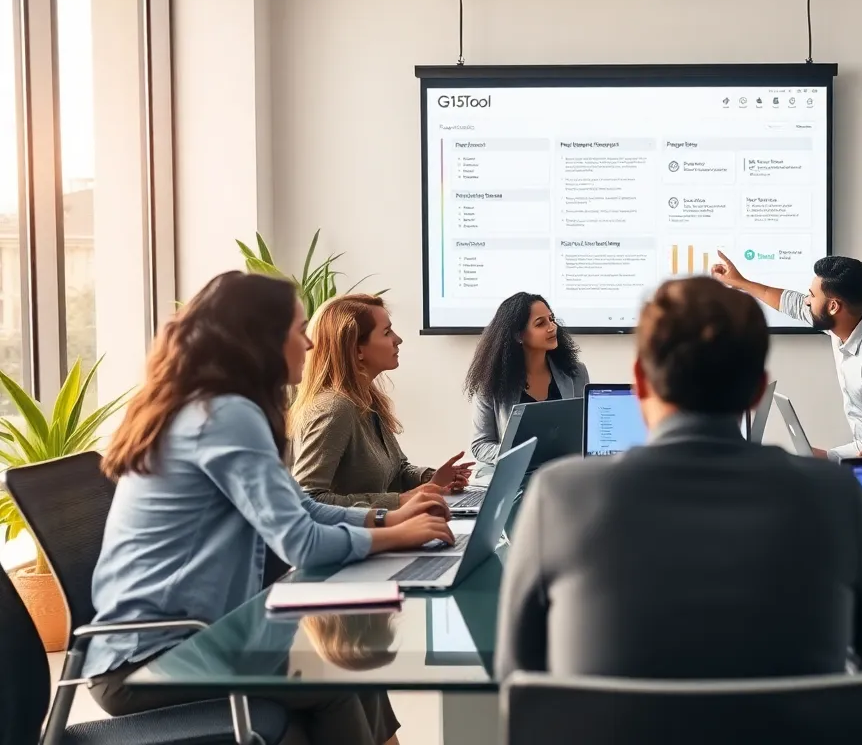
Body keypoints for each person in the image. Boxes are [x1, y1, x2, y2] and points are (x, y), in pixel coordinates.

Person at [84, 272, 455, 745]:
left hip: (192, 638)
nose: (310, 344)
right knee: (337, 673)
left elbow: (299, 505)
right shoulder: (223, 415)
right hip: (153, 658)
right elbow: (299, 541)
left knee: (351, 664)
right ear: (261, 339)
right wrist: (393, 535)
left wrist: (386, 518)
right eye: (299, 331)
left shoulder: (216, 406)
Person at [495, 277, 862, 679]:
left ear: (641, 383)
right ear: (759, 390)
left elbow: (516, 675)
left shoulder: (558, 497)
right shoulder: (834, 495)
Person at [712, 253, 862, 458]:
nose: (807, 301)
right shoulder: (846, 322)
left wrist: (826, 456)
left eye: (811, 295)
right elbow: (792, 303)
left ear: (834, 306)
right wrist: (739, 282)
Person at [291, 294, 473, 510]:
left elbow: (396, 471)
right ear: (357, 349)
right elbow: (308, 501)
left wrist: (432, 479)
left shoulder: (367, 399)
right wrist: (400, 500)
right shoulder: (334, 409)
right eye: (387, 332)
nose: (398, 339)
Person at [465, 292, 589, 474]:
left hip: (566, 474)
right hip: (517, 476)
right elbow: (481, 445)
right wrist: (524, 454)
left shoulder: (576, 373)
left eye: (551, 319)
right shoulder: (491, 383)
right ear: (518, 335)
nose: (552, 327)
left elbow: (585, 431)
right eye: (541, 323)